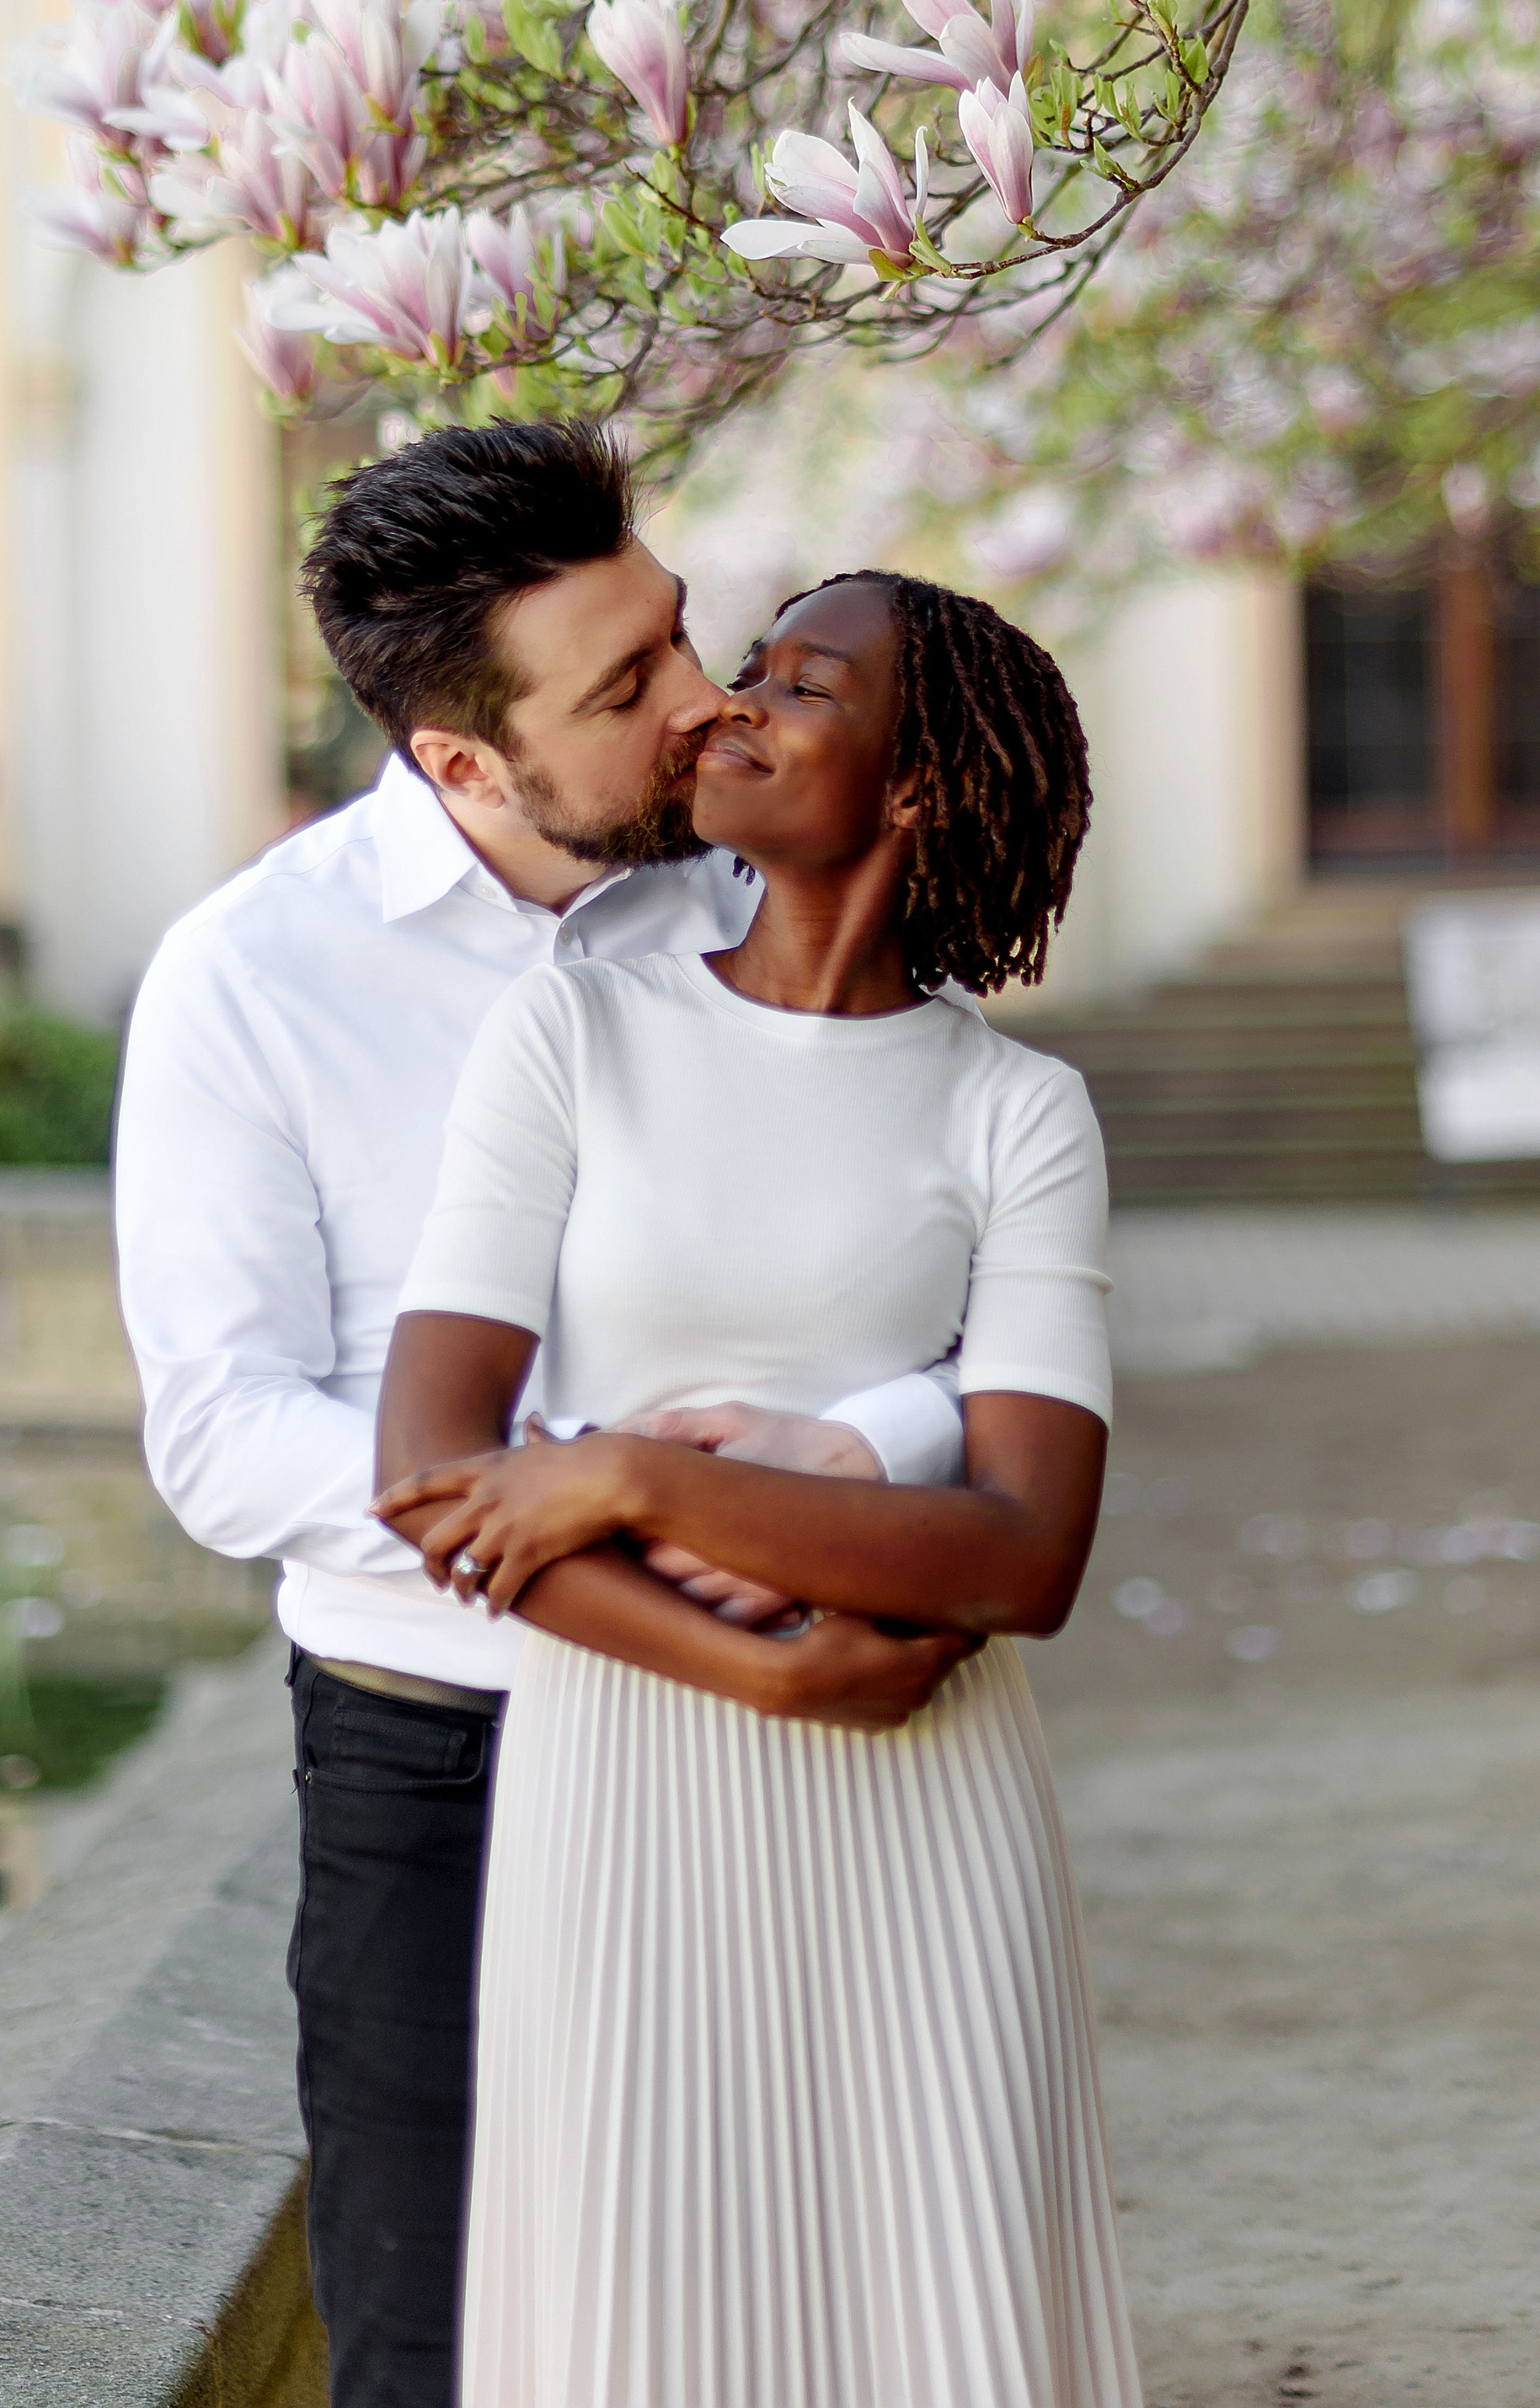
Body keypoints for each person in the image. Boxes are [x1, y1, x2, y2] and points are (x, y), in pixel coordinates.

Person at [112, 424, 971, 2408]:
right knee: (443, 2358)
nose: (704, 705)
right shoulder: (248, 982)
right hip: (444, 1777)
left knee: (795, 2335)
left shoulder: (794, 892)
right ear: (462, 764)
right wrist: (583, 1514)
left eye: (679, 635)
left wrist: (860, 1459)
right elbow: (227, 1430)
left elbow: (969, 1318)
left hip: (788, 1726)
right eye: (624, 688)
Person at [377, 569, 1142, 2408]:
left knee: (933, 2304)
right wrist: (777, 1669)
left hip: (923, 1802)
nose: (729, 706)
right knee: (644, 2310)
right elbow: (430, 1473)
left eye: (801, 688)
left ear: (916, 789)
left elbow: (1024, 1552)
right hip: (626, 1754)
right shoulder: (572, 1033)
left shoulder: (1013, 1112)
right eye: (751, 669)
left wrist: (623, 1472)